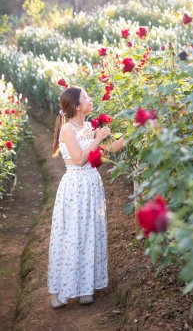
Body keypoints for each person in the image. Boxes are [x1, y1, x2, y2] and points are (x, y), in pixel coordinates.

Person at [47, 86, 124, 309]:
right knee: (71, 234)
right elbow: (80, 159)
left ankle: (84, 287)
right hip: (74, 185)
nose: (90, 99)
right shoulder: (67, 130)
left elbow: (111, 149)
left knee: (90, 233)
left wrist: (136, 131)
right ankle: (59, 290)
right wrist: (97, 138)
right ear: (77, 106)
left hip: (91, 184)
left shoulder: (90, 126)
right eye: (86, 97)